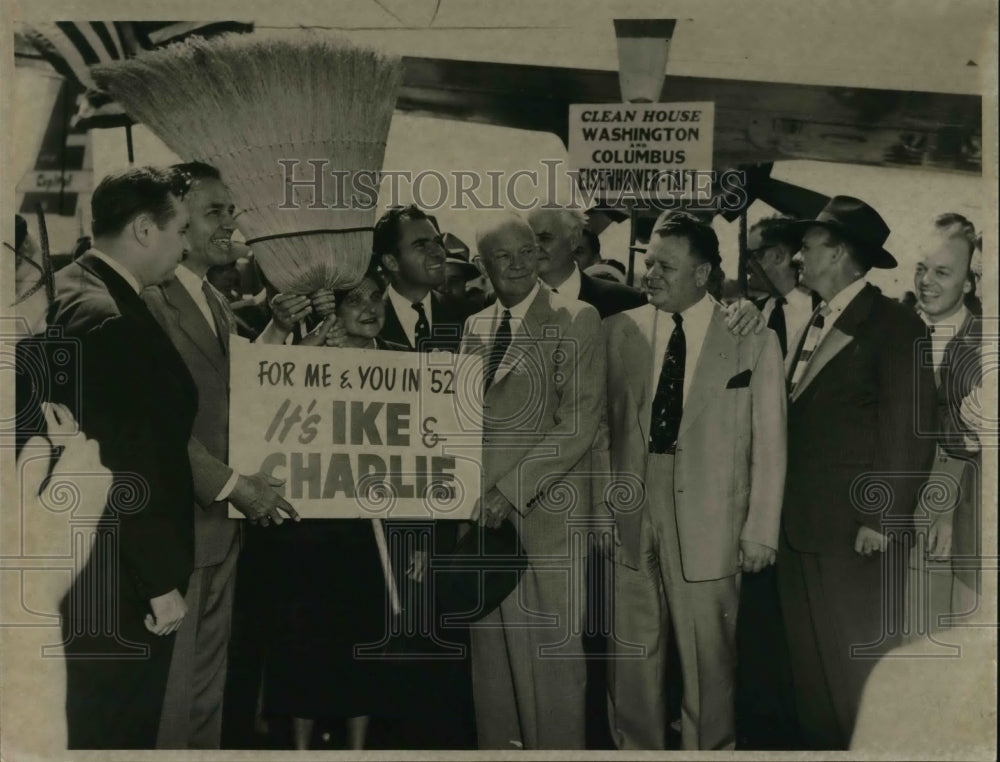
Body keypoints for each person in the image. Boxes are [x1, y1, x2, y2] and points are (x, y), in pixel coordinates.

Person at [598, 211, 786, 751]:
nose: (650, 274)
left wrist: (760, 530)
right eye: (648, 263)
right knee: (631, 654)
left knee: (709, 658)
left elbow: (770, 446)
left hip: (712, 519)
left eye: (666, 266)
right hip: (633, 511)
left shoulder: (751, 338)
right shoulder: (620, 331)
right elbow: (602, 432)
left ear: (703, 274)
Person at [140, 162, 302, 749]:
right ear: (176, 220)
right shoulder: (154, 300)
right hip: (183, 521)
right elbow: (160, 425)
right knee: (176, 688)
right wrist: (233, 484)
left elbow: (235, 385)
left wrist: (278, 333)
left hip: (219, 524)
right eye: (216, 212)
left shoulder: (210, 297)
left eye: (231, 212)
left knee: (206, 683)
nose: (231, 225)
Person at [42, 167, 199, 749]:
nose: (186, 244)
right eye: (180, 227)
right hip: (116, 581)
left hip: (80, 562)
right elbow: (126, 463)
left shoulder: (67, 290)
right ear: (142, 228)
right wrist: (158, 580)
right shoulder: (110, 318)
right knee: (113, 732)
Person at [778, 196, 937, 749]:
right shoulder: (814, 318)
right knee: (811, 679)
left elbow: (910, 430)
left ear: (840, 253)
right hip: (801, 530)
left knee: (854, 677)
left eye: (808, 247)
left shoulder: (895, 325)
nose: (799, 258)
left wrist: (881, 517)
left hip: (854, 536)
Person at [460, 213, 605, 750]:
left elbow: (579, 422)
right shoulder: (474, 327)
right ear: (484, 265)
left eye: (528, 250)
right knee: (492, 673)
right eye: (505, 256)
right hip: (480, 526)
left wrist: (510, 491)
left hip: (545, 524)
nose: (520, 263)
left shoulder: (576, 317)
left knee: (552, 671)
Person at [263, 261, 399, 751]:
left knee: (364, 641)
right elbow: (267, 406)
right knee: (303, 641)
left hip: (374, 530)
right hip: (309, 527)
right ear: (332, 310)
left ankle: (357, 749)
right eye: (356, 300)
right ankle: (301, 750)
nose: (370, 309)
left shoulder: (406, 361)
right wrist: (312, 353)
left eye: (376, 299)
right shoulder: (306, 357)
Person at [906, 212, 982, 637]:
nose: (926, 281)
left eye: (941, 271)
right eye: (921, 268)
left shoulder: (982, 344)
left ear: (970, 283)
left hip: (946, 518)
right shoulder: (903, 331)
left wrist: (949, 511)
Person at [374, 205, 468, 352]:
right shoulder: (366, 321)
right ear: (391, 262)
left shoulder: (467, 314)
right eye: (421, 245)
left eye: (437, 242)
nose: (438, 252)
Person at [527, 206, 646, 318]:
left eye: (545, 238)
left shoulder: (625, 301)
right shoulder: (513, 300)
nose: (535, 247)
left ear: (574, 239)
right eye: (529, 239)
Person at [746, 214, 817, 363]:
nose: (746, 265)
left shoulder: (821, 310)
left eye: (753, 255)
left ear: (779, 256)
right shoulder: (751, 314)